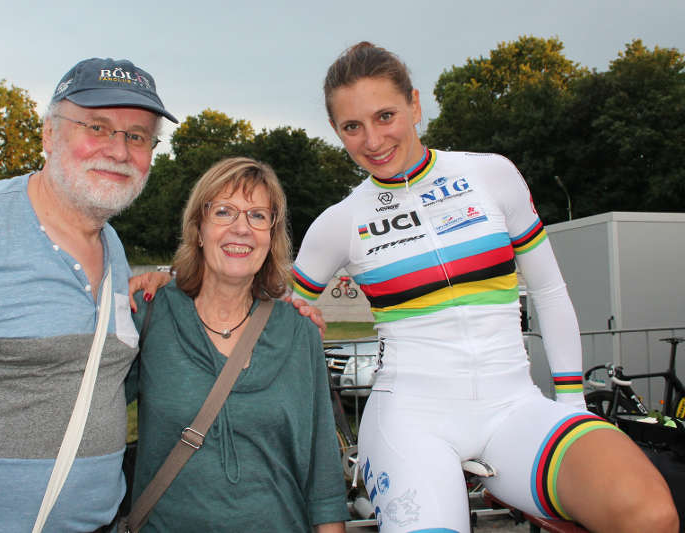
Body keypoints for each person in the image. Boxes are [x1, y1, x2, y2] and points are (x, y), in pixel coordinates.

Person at [290, 42, 678, 533]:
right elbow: (276, 317)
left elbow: (551, 291)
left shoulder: (491, 173)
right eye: (352, 126)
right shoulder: (338, 223)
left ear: (414, 104)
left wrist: (572, 407)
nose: (372, 139)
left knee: (650, 515)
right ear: (336, 131)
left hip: (514, 409)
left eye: (385, 115)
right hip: (409, 421)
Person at [0, 57, 179, 532]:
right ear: (48, 134)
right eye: (98, 127)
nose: (119, 150)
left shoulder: (112, 246)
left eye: (138, 136)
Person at [125, 157, 348, 532]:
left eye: (258, 216)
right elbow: (88, 425)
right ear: (198, 228)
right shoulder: (150, 316)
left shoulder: (299, 331)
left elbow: (323, 469)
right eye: (224, 212)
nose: (241, 229)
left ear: (271, 235)